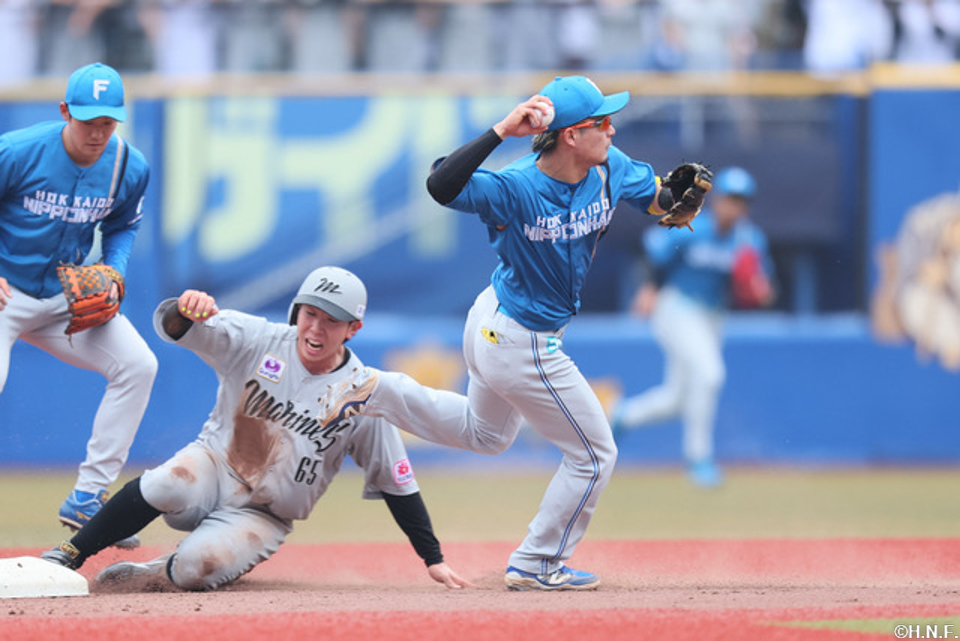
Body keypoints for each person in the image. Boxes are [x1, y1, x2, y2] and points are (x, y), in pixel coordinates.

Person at [311, 75, 706, 591]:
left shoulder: (610, 167)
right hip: (521, 336)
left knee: (487, 434)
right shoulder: (515, 185)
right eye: (601, 122)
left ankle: (378, 391)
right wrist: (501, 130)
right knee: (594, 455)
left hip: (495, 318)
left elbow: (655, 199)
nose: (613, 128)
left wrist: (675, 197)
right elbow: (440, 185)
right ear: (569, 135)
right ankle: (537, 561)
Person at [41, 266, 470, 592]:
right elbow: (178, 328)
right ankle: (70, 553)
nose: (316, 328)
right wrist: (184, 308)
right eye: (310, 313)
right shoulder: (258, 338)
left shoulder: (363, 395)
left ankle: (154, 570)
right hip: (213, 466)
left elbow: (398, 483)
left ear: (353, 329)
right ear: (296, 311)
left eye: (332, 320)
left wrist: (432, 557)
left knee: (197, 567)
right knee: (172, 480)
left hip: (264, 514)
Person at [0, 62, 156, 548]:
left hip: (64, 297)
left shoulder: (129, 166)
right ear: (65, 110)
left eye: (107, 123)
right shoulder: (18, 152)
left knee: (139, 365)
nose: (97, 132)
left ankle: (88, 495)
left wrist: (114, 271)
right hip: (6, 294)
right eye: (88, 121)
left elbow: (123, 226)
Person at [612, 167, 774, 488]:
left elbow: (764, 290)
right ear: (718, 200)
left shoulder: (750, 240)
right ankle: (698, 458)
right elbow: (655, 254)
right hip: (677, 307)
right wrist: (648, 288)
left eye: (741, 201)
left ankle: (621, 416)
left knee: (678, 399)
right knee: (710, 375)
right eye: (730, 198)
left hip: (713, 317)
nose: (734, 206)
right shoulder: (692, 225)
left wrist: (758, 287)